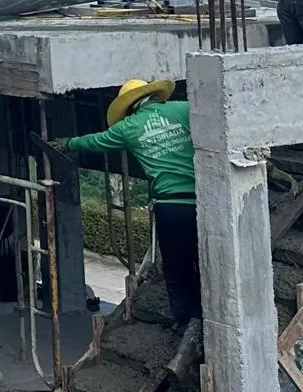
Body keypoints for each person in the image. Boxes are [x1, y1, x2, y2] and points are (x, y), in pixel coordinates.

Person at [55, 79, 202, 329]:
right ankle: (208, 315)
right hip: (202, 201)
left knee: (177, 270)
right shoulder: (183, 109)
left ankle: (185, 323)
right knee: (203, 262)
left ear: (130, 106)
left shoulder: (128, 127)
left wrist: (68, 143)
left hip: (170, 206)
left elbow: (95, 141)